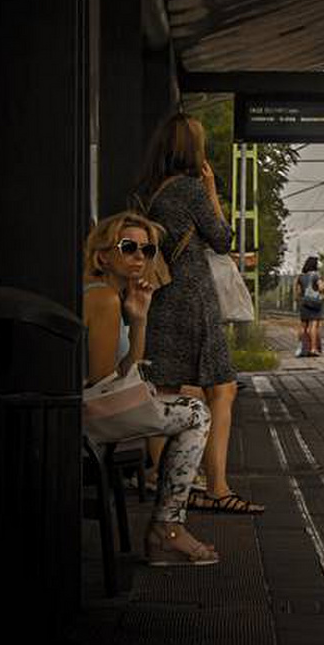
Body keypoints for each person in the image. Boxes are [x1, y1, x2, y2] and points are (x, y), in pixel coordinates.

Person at [138, 113, 265, 515]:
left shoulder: (152, 192)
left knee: (165, 388)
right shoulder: (191, 190)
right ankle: (217, 487)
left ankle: (163, 476)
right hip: (192, 301)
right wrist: (211, 191)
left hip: (164, 300)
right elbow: (223, 240)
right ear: (193, 149)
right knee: (222, 388)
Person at [83, 212, 218, 565]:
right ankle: (167, 530)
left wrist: (140, 320)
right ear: (102, 256)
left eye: (148, 249)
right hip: (87, 417)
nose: (140, 257)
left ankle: (168, 528)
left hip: (93, 411)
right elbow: (101, 380)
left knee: (187, 409)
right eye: (128, 247)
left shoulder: (115, 297)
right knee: (196, 412)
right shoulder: (102, 299)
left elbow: (125, 368)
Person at [296, 256, 324, 357]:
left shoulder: (300, 277)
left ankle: (301, 348)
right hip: (314, 303)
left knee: (303, 327)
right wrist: (323, 286)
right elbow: (321, 288)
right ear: (315, 265)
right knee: (313, 326)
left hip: (304, 303)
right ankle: (313, 349)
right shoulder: (316, 275)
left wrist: (302, 299)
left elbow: (299, 292)